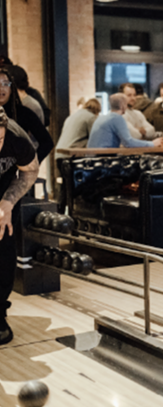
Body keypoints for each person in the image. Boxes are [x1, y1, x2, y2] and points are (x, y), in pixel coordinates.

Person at [0, 107, 39, 345]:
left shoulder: (16, 136)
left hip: (2, 196)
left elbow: (30, 170)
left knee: (3, 253)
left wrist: (8, 202)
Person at [54, 99, 101, 213]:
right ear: (97, 110)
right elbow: (95, 140)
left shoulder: (72, 116)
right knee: (76, 188)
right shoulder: (91, 118)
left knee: (65, 187)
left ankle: (60, 213)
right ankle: (75, 213)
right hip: (73, 156)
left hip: (59, 154)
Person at [0, 68, 53, 163]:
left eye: (5, 84)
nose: (1, 88)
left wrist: (31, 163)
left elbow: (47, 142)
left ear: (11, 88)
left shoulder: (24, 112)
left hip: (15, 173)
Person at [87, 94, 163, 149]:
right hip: (103, 160)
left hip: (92, 159)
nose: (127, 107)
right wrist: (152, 144)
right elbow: (128, 143)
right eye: (126, 104)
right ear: (122, 105)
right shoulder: (117, 118)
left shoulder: (102, 117)